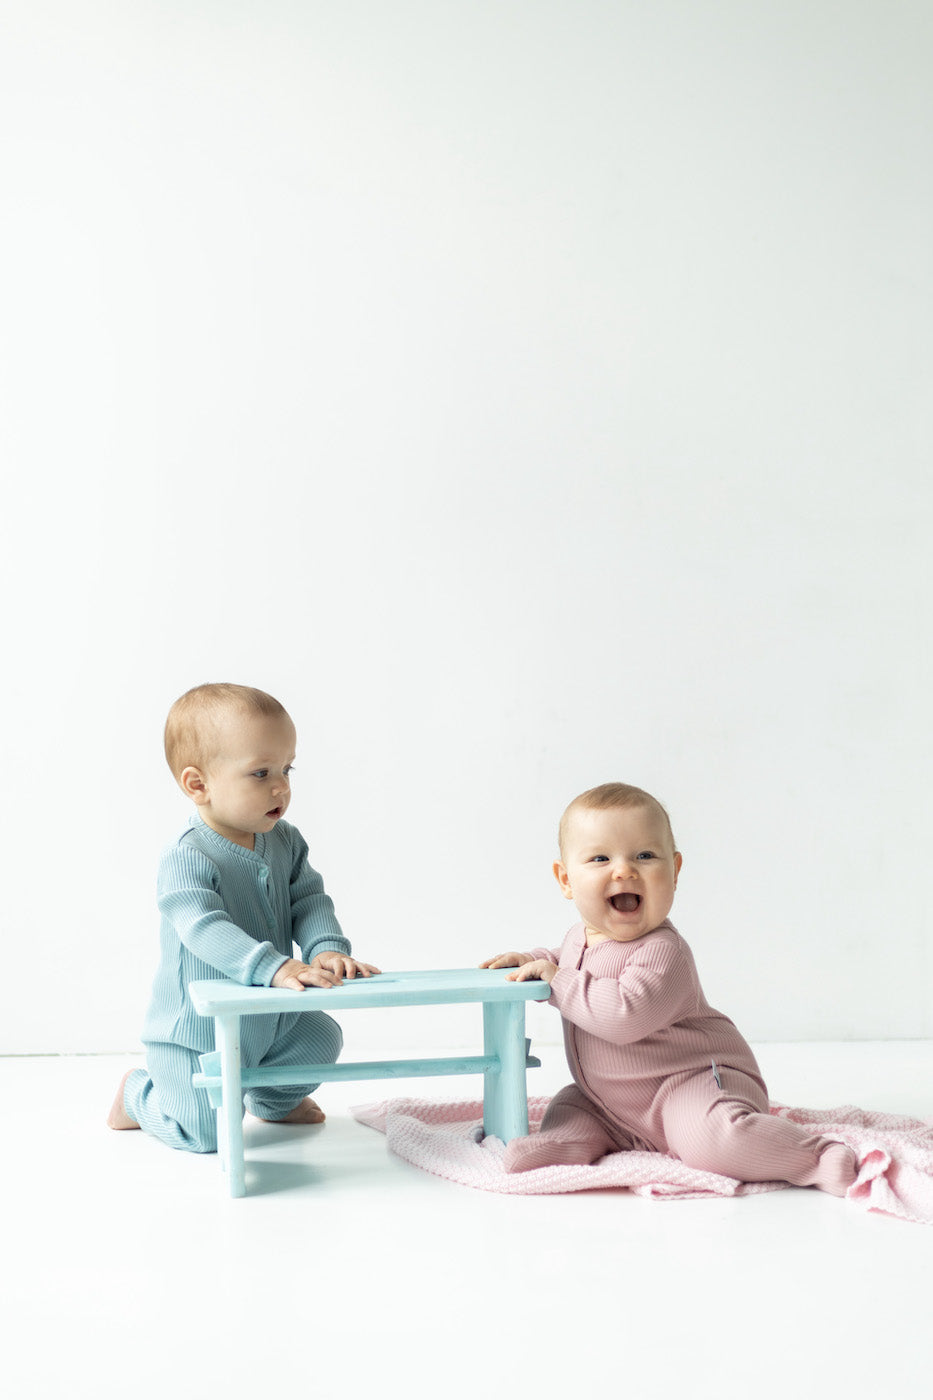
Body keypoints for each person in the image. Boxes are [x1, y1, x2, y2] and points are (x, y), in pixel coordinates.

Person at [481, 782, 858, 1195]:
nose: (624, 870)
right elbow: (563, 961)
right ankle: (573, 1139)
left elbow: (625, 1015)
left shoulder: (664, 951)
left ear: (675, 871)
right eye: (601, 858)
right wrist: (533, 961)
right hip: (611, 1101)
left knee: (709, 1140)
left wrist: (556, 982)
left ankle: (817, 1156)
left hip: (693, 1083)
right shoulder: (577, 938)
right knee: (571, 1104)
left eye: (644, 855)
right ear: (566, 879)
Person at [107, 682, 379, 1152]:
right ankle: (139, 1096)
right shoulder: (187, 856)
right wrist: (274, 966)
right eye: (260, 773)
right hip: (197, 1028)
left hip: (270, 1018)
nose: (281, 786)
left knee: (321, 1039)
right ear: (198, 785)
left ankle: (272, 1101)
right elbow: (202, 927)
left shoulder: (285, 841)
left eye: (286, 769)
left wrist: (325, 947)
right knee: (206, 1134)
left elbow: (309, 900)